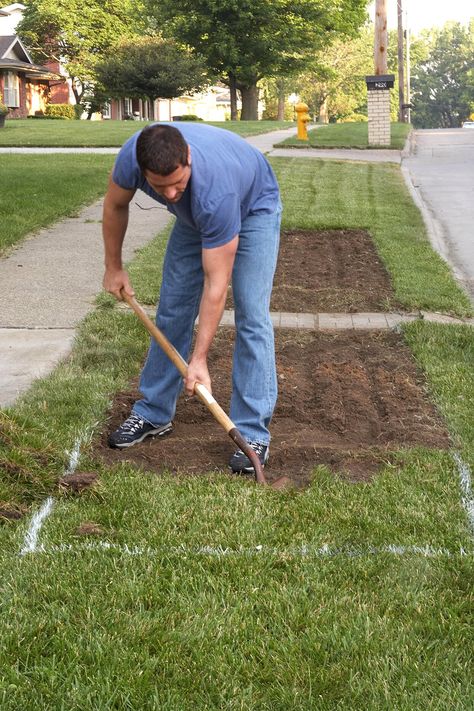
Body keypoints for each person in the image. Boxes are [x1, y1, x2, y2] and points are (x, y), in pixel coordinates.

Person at [102, 122, 281, 474]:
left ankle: (252, 432)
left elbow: (217, 286)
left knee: (251, 316)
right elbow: (114, 205)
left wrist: (199, 359)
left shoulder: (216, 193)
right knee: (172, 310)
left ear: (188, 159)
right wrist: (114, 267)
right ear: (143, 170)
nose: (169, 195)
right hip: (195, 215)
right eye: (159, 186)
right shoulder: (130, 157)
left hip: (254, 205)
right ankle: (154, 412)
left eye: (177, 183)